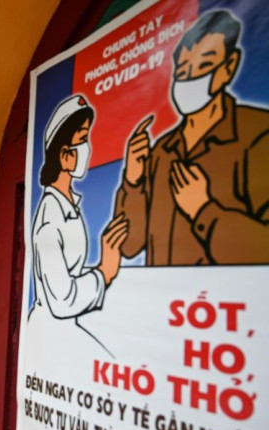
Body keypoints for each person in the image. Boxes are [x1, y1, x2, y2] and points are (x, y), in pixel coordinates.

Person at [114, 9, 269, 265]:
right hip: (162, 303)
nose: (191, 78)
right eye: (184, 71)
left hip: (220, 304)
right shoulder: (163, 149)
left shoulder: (257, 133)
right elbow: (129, 245)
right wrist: (133, 180)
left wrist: (203, 211)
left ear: (229, 67)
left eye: (205, 65)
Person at [28, 95, 128, 354]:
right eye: (82, 139)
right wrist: (105, 271)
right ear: (64, 155)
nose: (88, 148)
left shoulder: (69, 205)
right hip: (52, 334)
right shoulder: (50, 218)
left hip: (65, 327)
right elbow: (62, 299)